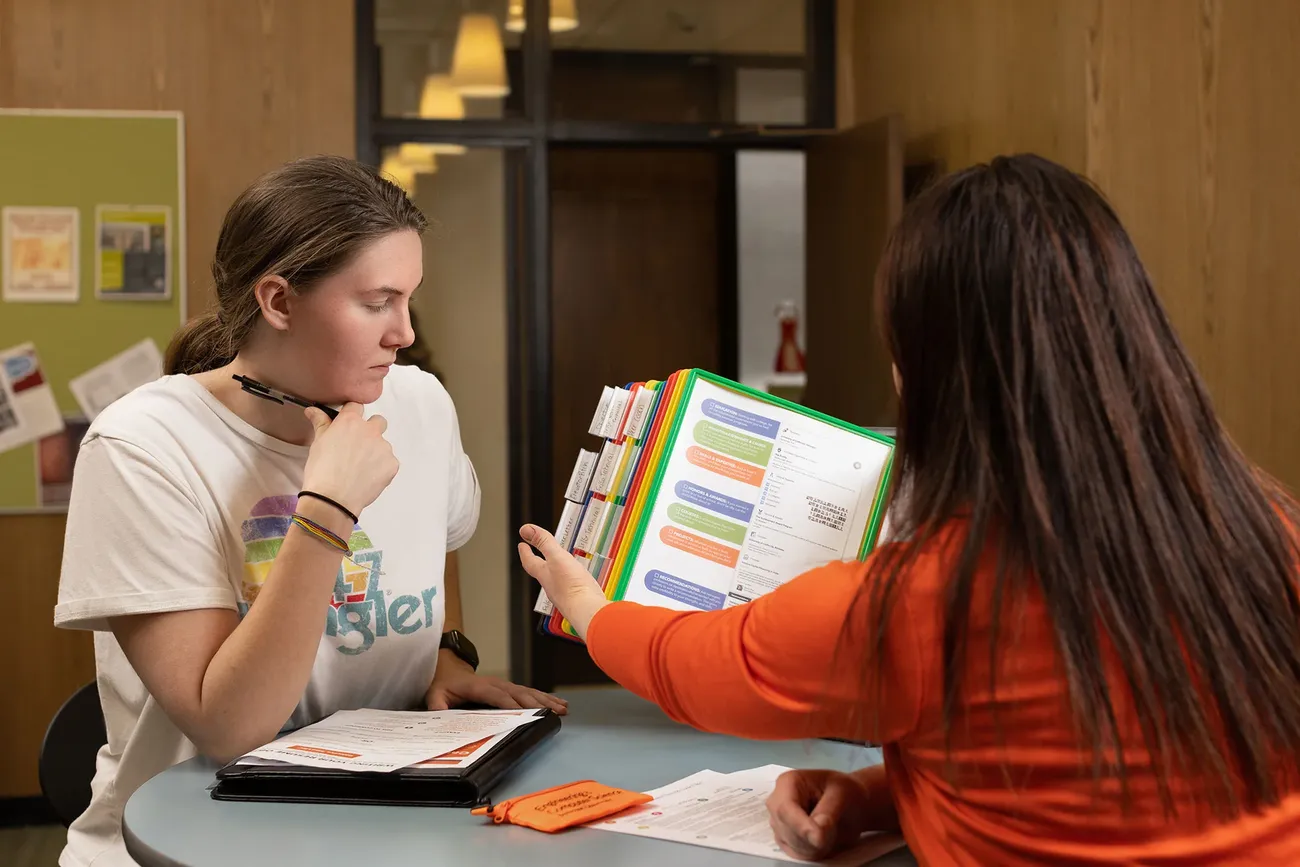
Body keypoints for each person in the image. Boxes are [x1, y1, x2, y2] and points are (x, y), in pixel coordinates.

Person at [519, 154, 1300, 864]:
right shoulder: (1269, 532)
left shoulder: (923, 598)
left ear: (934, 372)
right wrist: (882, 793)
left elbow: (704, 665)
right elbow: (1137, 776)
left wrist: (587, 602)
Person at [54, 154, 565, 867]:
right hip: (186, 845)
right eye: (377, 301)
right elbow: (228, 724)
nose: (405, 333)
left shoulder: (419, 403)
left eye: (409, 299)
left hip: (375, 831)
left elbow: (440, 536)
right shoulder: (141, 447)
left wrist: (447, 653)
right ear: (279, 302)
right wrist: (327, 511)